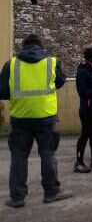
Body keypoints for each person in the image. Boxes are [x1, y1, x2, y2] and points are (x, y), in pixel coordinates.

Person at [1, 34, 72, 208]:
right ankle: (51, 192)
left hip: (20, 117)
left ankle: (17, 197)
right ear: (40, 47)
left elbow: (2, 92)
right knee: (47, 154)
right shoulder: (51, 62)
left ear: (23, 47)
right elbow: (61, 81)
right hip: (46, 117)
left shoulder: (11, 64)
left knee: (18, 157)